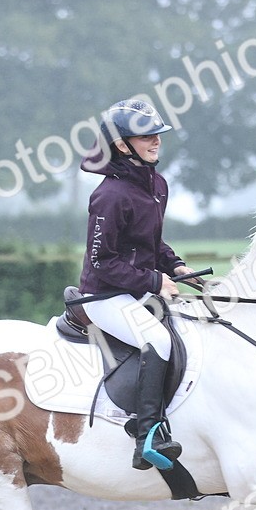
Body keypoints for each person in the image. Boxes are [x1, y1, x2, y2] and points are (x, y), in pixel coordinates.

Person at [79, 99, 197, 471]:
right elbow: (102, 261)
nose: (156, 142)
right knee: (159, 341)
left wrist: (175, 265)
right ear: (122, 145)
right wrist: (154, 280)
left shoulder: (157, 184)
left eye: (157, 135)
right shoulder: (109, 196)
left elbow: (150, 242)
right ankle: (147, 432)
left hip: (136, 292)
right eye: (146, 136)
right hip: (103, 296)